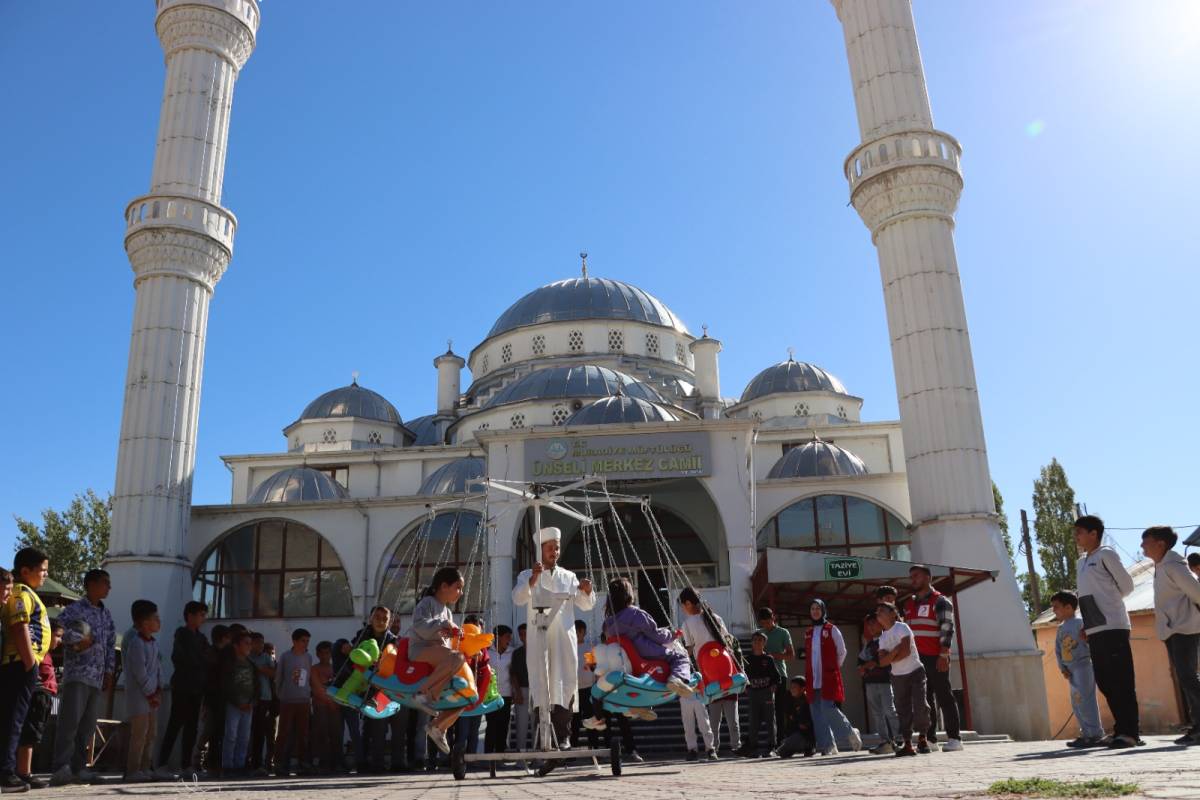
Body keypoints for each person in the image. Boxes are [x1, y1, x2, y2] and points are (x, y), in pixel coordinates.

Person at [511, 525, 595, 772]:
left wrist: (587, 592)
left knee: (566, 682)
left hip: (563, 640)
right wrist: (533, 580)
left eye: (557, 548)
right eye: (550, 548)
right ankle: (544, 742)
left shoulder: (568, 576)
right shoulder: (526, 573)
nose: (555, 552)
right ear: (541, 549)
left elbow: (585, 604)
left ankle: (565, 738)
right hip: (539, 640)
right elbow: (518, 598)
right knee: (541, 683)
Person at [1074, 515, 1139, 748]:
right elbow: (1086, 597)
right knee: (1105, 681)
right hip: (1094, 630)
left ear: (1094, 533)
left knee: (1121, 680)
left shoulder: (1106, 554)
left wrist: (1108, 606)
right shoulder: (1081, 562)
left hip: (1114, 626)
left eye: (1080, 532)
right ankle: (1120, 730)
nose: (1077, 536)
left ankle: (1130, 733)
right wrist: (1088, 624)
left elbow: (1127, 586)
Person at [51, 568, 118, 786]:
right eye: (105, 582)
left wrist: (108, 671)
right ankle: (61, 767)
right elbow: (58, 629)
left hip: (97, 677)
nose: (109, 587)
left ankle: (79, 768)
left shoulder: (105, 614)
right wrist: (78, 639)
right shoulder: (75, 608)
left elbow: (110, 644)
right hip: (77, 674)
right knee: (70, 722)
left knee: (88, 725)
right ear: (91, 584)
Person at [1141, 526, 1200, 745]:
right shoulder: (1162, 566)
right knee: (1185, 678)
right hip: (1173, 630)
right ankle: (1197, 726)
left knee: (1188, 677)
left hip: (1184, 628)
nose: (1141, 546)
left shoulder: (1174, 566)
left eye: (1145, 542)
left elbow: (1197, 593)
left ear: (1160, 544)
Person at [0, 547, 51, 794]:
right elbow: (20, 627)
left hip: (25, 664)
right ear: (25, 571)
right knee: (13, 720)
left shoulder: (28, 592)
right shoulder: (20, 593)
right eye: (42, 570)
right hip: (19, 664)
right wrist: (31, 664)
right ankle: (6, 774)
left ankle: (17, 772)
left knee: (20, 721)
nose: (45, 575)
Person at [407, 566, 470, 756]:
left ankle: (438, 727)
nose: (460, 593)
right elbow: (419, 627)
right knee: (457, 658)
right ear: (444, 586)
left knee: (465, 693)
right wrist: (444, 625)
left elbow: (446, 643)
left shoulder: (448, 612)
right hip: (420, 650)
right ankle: (423, 693)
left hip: (440, 658)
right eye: (458, 587)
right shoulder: (426, 603)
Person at [601, 578, 693, 697]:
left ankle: (637, 706)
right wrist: (672, 635)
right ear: (629, 594)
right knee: (680, 657)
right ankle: (676, 679)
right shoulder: (635, 614)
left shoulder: (608, 623)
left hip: (625, 658)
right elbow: (656, 635)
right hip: (643, 652)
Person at [903, 565, 962, 752]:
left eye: (916, 576)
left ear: (928, 578)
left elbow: (947, 628)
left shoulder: (941, 601)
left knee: (944, 696)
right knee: (924, 700)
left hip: (936, 656)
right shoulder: (909, 604)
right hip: (916, 659)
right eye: (911, 577)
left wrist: (943, 654)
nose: (913, 580)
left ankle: (955, 738)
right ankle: (931, 740)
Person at [678, 587, 737, 756]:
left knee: (694, 715)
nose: (683, 609)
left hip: (703, 672)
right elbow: (728, 641)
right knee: (705, 713)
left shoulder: (688, 623)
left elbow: (688, 650)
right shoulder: (715, 618)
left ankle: (695, 749)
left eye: (683, 606)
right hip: (723, 669)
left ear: (688, 604)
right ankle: (711, 748)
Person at [803, 599, 861, 755]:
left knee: (828, 708)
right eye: (812, 608)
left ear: (823, 610)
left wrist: (834, 668)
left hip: (827, 676)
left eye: (817, 608)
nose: (815, 611)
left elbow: (842, 651)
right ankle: (829, 745)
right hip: (812, 678)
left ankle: (850, 732)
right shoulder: (808, 632)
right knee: (816, 711)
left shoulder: (832, 629)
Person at [157, 602, 210, 774]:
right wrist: (199, 661)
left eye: (204, 614)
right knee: (175, 723)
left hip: (197, 687)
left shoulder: (202, 638)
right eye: (201, 614)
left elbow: (207, 658)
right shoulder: (181, 633)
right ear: (190, 615)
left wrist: (201, 663)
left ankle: (186, 764)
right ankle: (162, 763)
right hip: (182, 685)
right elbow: (180, 657)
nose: (203, 618)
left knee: (192, 727)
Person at [1049, 591, 1105, 748]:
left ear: (1068, 607)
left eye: (1056, 607)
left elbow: (1090, 642)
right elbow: (1058, 650)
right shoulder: (1060, 628)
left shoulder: (1081, 623)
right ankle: (1085, 733)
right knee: (1077, 702)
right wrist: (1062, 668)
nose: (1054, 610)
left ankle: (1095, 734)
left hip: (1084, 666)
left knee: (1087, 700)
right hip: (1071, 670)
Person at [353, 606, 404, 773]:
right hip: (371, 688)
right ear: (370, 618)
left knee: (398, 726)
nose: (381, 621)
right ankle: (377, 764)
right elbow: (354, 660)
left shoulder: (395, 641)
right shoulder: (361, 637)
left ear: (389, 622)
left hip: (393, 688)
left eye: (385, 618)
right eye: (377, 617)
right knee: (377, 727)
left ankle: (398, 763)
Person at [875, 602, 930, 757]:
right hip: (897, 676)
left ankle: (922, 738)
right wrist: (895, 651)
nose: (878, 613)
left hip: (915, 671)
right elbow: (882, 662)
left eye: (882, 610)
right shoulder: (882, 638)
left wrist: (890, 655)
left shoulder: (902, 627)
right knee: (903, 710)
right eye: (877, 611)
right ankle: (907, 744)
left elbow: (905, 652)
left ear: (893, 613)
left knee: (920, 705)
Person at [15, 620, 62, 789]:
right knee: (30, 733)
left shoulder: (47, 655)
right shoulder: (38, 653)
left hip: (46, 696)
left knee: (34, 735)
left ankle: (24, 771)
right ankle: (24, 772)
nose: (59, 641)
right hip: (38, 694)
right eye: (57, 636)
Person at [123, 599, 163, 782]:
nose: (159, 621)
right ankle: (132, 770)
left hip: (152, 695)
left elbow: (157, 669)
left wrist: (159, 688)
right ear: (145, 623)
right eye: (156, 618)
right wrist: (151, 693)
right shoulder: (136, 643)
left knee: (151, 733)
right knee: (139, 733)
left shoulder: (153, 643)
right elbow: (140, 673)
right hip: (140, 696)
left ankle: (146, 767)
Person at [859, 612, 900, 754]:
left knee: (890, 710)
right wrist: (863, 667)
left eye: (873, 623)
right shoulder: (869, 644)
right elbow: (861, 661)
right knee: (877, 713)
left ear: (881, 623)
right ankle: (884, 742)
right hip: (870, 683)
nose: (870, 627)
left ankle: (899, 739)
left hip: (886, 681)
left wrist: (868, 665)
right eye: (868, 624)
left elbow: (881, 659)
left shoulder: (887, 639)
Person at [273, 629, 313, 776]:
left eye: (307, 641)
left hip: (303, 700)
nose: (306, 643)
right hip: (287, 700)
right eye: (303, 640)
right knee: (284, 733)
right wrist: (281, 695)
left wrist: (308, 695)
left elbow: (308, 678)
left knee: (303, 733)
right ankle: (280, 764)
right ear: (294, 641)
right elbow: (278, 678)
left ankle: (303, 763)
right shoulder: (285, 657)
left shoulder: (308, 657)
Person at [221, 630, 260, 777]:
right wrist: (238, 702)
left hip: (248, 706)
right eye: (246, 643)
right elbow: (225, 685)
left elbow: (256, 685)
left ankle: (240, 765)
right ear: (236, 646)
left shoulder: (251, 664)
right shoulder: (229, 664)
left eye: (250, 643)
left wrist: (252, 701)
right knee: (231, 735)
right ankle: (227, 766)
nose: (249, 646)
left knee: (244, 736)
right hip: (234, 705)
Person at [452, 614, 490, 759]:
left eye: (478, 626)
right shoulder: (459, 642)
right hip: (461, 692)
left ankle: (472, 759)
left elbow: (485, 663)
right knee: (462, 730)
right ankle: (458, 759)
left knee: (474, 730)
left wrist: (480, 659)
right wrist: (468, 657)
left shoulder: (483, 645)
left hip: (477, 692)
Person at [195, 624, 231, 773]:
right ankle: (198, 759)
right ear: (223, 638)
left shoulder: (222, 654)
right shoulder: (212, 654)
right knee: (209, 730)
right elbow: (208, 680)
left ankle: (213, 761)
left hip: (221, 698)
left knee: (218, 732)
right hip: (212, 698)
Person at [737, 631, 779, 758]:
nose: (757, 642)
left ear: (764, 643)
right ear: (751, 643)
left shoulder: (769, 659)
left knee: (770, 720)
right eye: (755, 640)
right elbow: (743, 676)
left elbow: (776, 677)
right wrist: (746, 688)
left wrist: (773, 687)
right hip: (753, 694)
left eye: (760, 640)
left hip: (766, 693)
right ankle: (752, 748)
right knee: (753, 721)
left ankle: (772, 747)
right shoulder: (746, 660)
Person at [755, 608, 794, 738]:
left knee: (779, 709)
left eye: (768, 622)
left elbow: (790, 655)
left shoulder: (783, 632)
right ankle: (765, 739)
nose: (766, 625)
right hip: (762, 677)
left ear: (773, 618)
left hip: (779, 675)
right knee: (763, 710)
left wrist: (772, 656)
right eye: (763, 623)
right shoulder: (758, 634)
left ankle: (781, 739)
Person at [309, 641, 342, 772]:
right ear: (317, 654)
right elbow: (317, 689)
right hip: (320, 706)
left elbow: (340, 688)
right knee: (322, 734)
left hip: (335, 706)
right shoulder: (314, 669)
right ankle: (324, 762)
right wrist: (330, 701)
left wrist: (335, 702)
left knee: (336, 734)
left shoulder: (336, 668)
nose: (325, 655)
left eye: (327, 652)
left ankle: (338, 762)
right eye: (322, 653)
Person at [247, 632, 276, 774]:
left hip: (264, 698)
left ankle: (258, 764)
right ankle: (245, 762)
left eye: (261, 643)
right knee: (246, 732)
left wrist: (260, 669)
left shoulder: (266, 657)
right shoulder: (246, 657)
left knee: (260, 732)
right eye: (257, 642)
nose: (260, 645)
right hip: (248, 698)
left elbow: (274, 673)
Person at [484, 625, 514, 758]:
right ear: (498, 637)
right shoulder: (487, 652)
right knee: (491, 724)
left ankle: (501, 753)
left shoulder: (512, 653)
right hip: (490, 695)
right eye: (507, 637)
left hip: (506, 694)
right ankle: (488, 755)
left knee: (504, 724)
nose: (509, 640)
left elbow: (514, 673)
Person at [775, 676, 814, 758]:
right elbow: (790, 716)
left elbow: (811, 719)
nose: (792, 689)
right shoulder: (788, 697)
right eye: (791, 687)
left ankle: (809, 747)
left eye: (794, 687)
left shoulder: (808, 700)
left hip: (807, 733)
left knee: (797, 739)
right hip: (793, 731)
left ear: (803, 689)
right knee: (783, 752)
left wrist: (805, 723)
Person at [510, 624, 530, 752]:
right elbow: (513, 674)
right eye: (521, 634)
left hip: (537, 690)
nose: (523, 636)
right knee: (521, 724)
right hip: (522, 689)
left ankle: (538, 757)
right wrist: (517, 692)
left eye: (525, 633)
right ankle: (520, 755)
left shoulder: (540, 650)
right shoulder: (517, 653)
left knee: (537, 724)